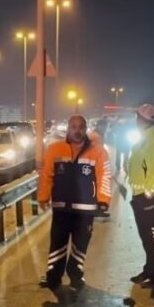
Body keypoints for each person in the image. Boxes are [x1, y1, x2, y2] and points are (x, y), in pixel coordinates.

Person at [38, 115, 112, 292]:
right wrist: (43, 196)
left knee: (80, 244)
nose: (77, 130)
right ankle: (53, 277)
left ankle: (75, 274)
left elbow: (105, 177)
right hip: (61, 207)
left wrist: (103, 200)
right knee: (57, 243)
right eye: (73, 127)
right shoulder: (55, 149)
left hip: (85, 209)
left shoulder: (98, 151)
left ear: (85, 129)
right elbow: (47, 175)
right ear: (68, 129)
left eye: (80, 127)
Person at [127, 104, 154, 286]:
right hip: (139, 195)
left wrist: (149, 191)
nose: (136, 120)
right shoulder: (142, 138)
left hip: (151, 196)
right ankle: (149, 269)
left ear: (144, 119)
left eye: (138, 117)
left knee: (153, 234)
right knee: (145, 236)